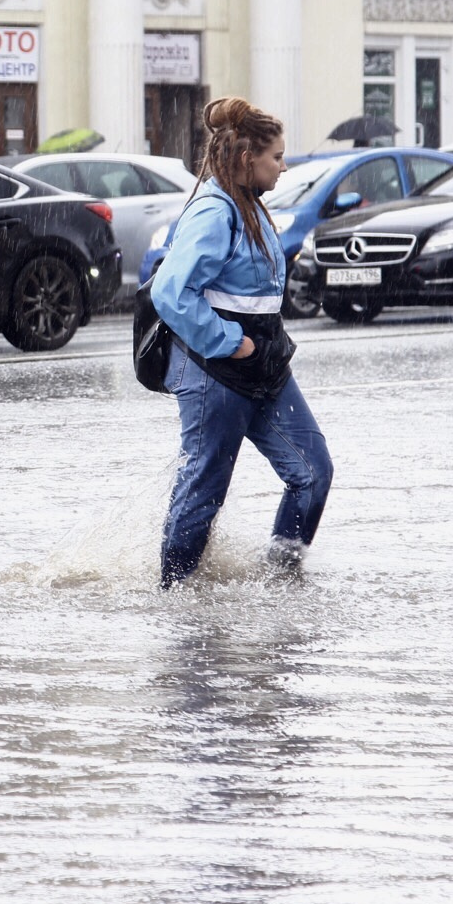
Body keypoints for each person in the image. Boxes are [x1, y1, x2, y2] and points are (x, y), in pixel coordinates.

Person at [150, 97, 332, 586]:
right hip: (215, 370)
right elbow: (170, 292)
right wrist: (230, 342)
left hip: (266, 368)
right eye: (276, 156)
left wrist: (258, 348)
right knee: (204, 490)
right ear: (247, 158)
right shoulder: (214, 212)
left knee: (313, 474)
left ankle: (280, 580)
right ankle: (177, 595)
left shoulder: (249, 206)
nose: (283, 165)